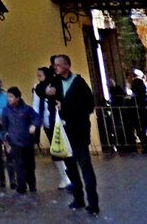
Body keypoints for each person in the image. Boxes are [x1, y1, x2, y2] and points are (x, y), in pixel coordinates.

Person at [44, 53, 99, 215]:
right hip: (64, 132)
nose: (56, 68)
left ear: (67, 66)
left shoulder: (79, 83)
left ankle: (93, 202)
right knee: (71, 168)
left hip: (79, 131)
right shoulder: (56, 82)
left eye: (58, 65)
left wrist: (66, 108)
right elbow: (42, 89)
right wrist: (47, 92)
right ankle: (78, 198)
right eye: (55, 65)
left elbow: (88, 106)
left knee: (85, 167)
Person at [32, 65, 72, 190]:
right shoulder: (38, 89)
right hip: (48, 123)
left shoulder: (56, 85)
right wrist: (36, 123)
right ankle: (64, 177)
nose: (39, 78)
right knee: (55, 150)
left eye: (41, 75)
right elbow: (35, 106)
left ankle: (70, 176)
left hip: (59, 121)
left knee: (65, 149)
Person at [1, 86, 39, 193]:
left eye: (11, 96)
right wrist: (6, 143)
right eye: (8, 96)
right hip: (15, 142)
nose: (9, 99)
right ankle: (21, 186)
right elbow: (4, 128)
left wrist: (34, 125)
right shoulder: (6, 111)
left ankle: (32, 185)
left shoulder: (26, 109)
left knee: (30, 165)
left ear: (17, 98)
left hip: (27, 141)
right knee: (19, 164)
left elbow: (37, 118)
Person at [129, 69, 147, 152]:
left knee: (140, 132)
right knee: (141, 132)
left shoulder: (137, 96)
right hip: (142, 114)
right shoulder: (142, 93)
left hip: (140, 114)